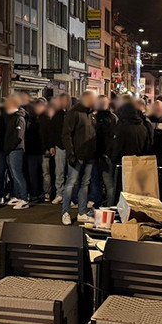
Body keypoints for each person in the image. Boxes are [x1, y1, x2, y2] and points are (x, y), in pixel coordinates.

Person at [61, 90, 98, 225]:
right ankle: (65, 212)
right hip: (77, 155)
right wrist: (71, 153)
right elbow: (66, 134)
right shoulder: (74, 113)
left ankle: (82, 212)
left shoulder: (90, 114)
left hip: (89, 155)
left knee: (84, 184)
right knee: (71, 183)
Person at [111, 97, 154, 200]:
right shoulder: (142, 127)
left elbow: (118, 146)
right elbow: (148, 144)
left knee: (123, 190)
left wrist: (113, 158)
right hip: (139, 163)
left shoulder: (123, 127)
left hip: (124, 163)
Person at [0, 95, 29, 209]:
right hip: (10, 150)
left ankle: (24, 199)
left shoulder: (19, 118)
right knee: (14, 175)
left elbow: (18, 137)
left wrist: (9, 148)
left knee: (18, 174)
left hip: (16, 150)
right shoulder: (11, 117)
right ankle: (17, 196)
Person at [90, 95, 118, 208]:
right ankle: (108, 206)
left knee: (99, 182)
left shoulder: (94, 117)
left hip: (99, 155)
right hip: (104, 155)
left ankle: (99, 206)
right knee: (106, 183)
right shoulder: (112, 118)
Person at [24, 98, 45, 202]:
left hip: (33, 150)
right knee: (39, 173)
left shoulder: (31, 120)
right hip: (37, 150)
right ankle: (38, 192)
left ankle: (34, 192)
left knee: (33, 173)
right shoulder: (41, 119)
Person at [49, 95, 69, 204]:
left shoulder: (71, 114)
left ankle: (69, 195)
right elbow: (52, 131)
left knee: (70, 173)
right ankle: (59, 193)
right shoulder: (57, 115)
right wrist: (52, 145)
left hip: (70, 147)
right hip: (60, 146)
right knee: (59, 172)